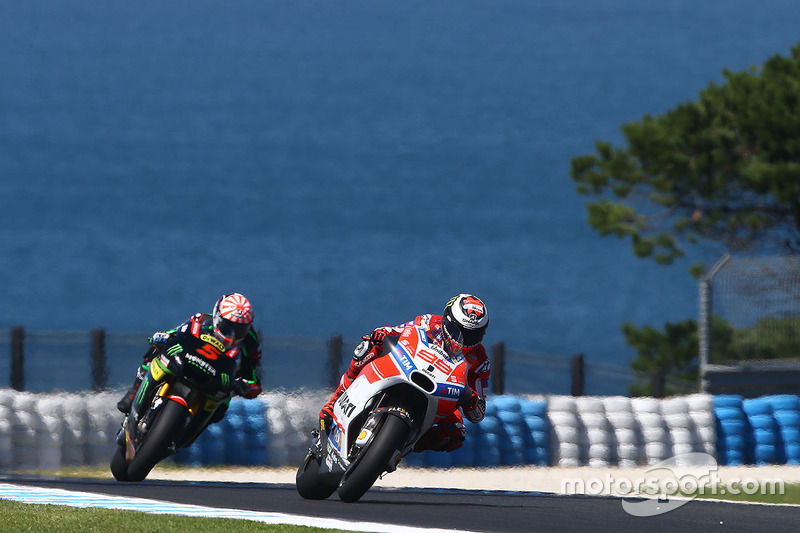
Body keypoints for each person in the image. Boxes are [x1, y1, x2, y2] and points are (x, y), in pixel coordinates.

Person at [319, 293, 491, 453]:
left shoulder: (480, 362)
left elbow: (478, 414)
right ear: (446, 321)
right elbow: (397, 331)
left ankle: (401, 448)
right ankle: (335, 400)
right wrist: (381, 334)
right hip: (408, 369)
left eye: (471, 336)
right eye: (457, 331)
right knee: (368, 347)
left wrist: (473, 400)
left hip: (443, 395)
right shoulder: (428, 322)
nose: (462, 340)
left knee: (457, 433)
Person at [116, 293, 263, 422]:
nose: (233, 333)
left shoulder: (251, 342)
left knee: (219, 412)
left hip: (220, 379)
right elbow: (175, 333)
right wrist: (162, 337)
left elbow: (255, 378)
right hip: (189, 361)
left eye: (239, 329)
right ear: (218, 317)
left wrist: (246, 387)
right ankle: (134, 390)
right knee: (157, 349)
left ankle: (187, 428)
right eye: (228, 326)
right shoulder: (201, 320)